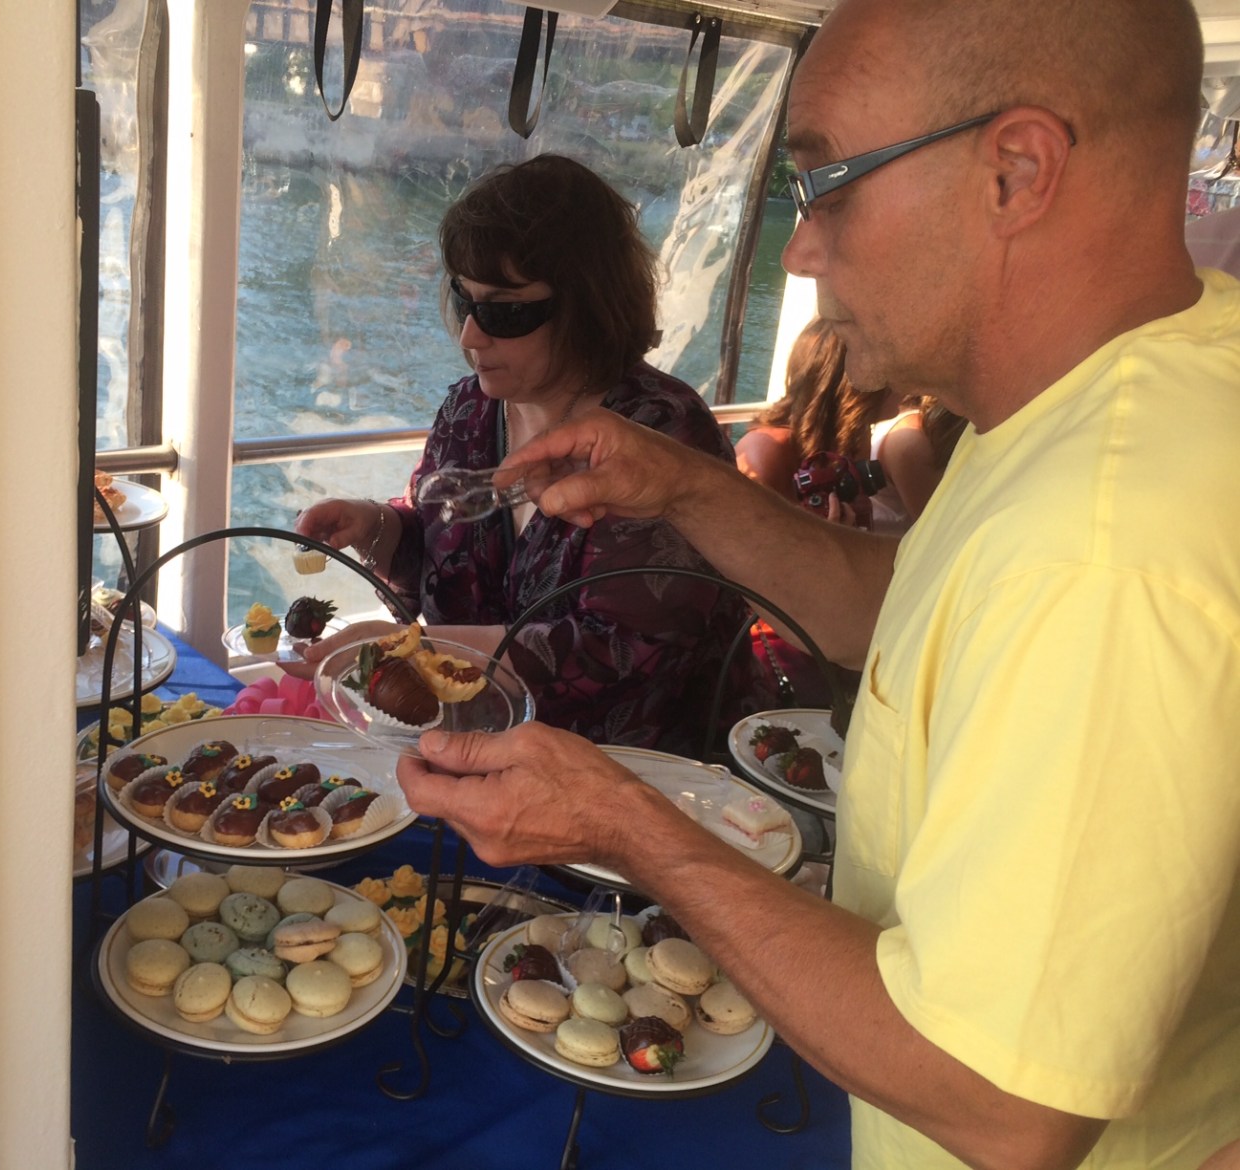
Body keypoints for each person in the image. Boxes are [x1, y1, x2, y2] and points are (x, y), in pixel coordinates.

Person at [395, 2, 1240, 1168]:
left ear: (1018, 171)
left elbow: (1001, 1102)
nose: (798, 249)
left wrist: (620, 822)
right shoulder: (1120, 395)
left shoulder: (1101, 546)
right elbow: (913, 609)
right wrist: (687, 489)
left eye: (826, 183)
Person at [291, 154, 761, 756]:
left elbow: (615, 650)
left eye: (504, 311)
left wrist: (413, 650)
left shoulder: (665, 433)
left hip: (632, 780)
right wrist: (377, 526)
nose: (469, 336)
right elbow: (444, 551)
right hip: (475, 761)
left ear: (588, 305)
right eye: (464, 301)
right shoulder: (468, 409)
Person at [736, 316, 947, 534]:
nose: (905, 380)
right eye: (893, 368)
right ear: (856, 385)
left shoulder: (854, 439)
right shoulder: (764, 454)